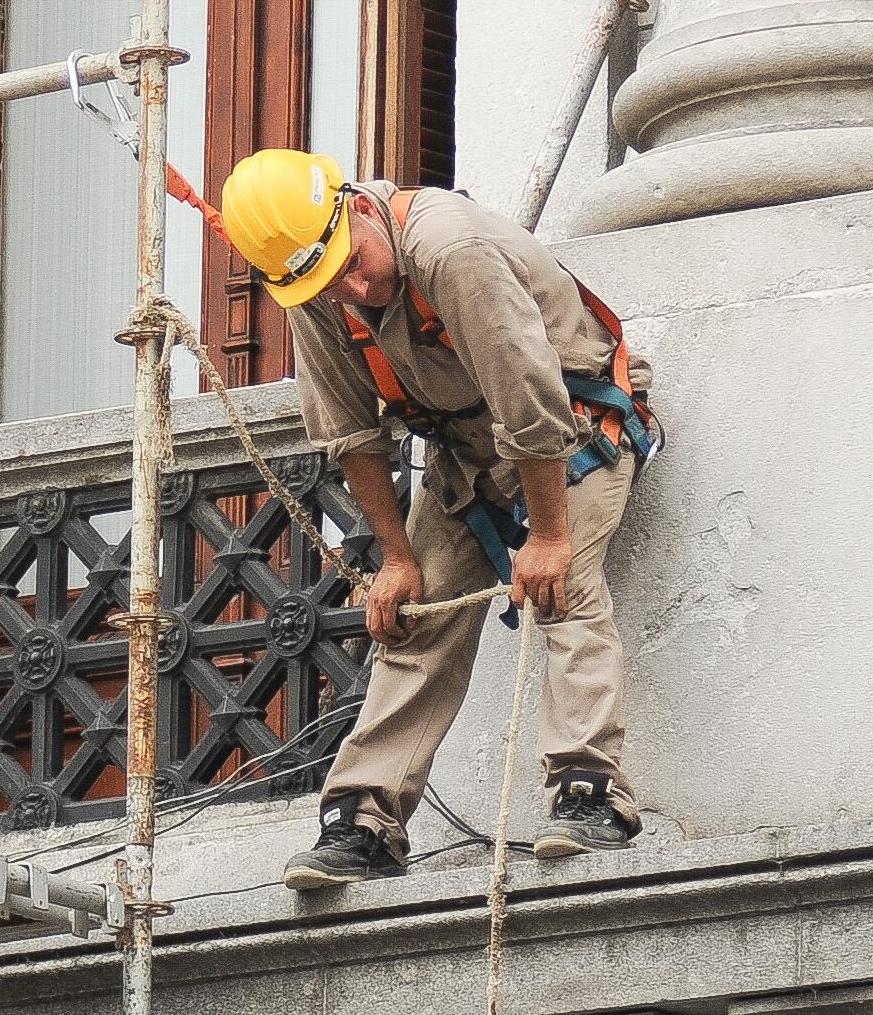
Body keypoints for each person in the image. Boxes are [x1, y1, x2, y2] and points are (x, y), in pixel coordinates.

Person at [216, 148, 659, 888]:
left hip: (575, 423)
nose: (355, 287)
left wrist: (548, 535)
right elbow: (352, 433)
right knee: (415, 616)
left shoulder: (449, 251)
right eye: (332, 282)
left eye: (355, 262)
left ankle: (592, 793)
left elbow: (530, 402)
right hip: (469, 453)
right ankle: (366, 818)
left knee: (565, 586)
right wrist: (397, 557)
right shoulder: (317, 288)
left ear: (357, 206)